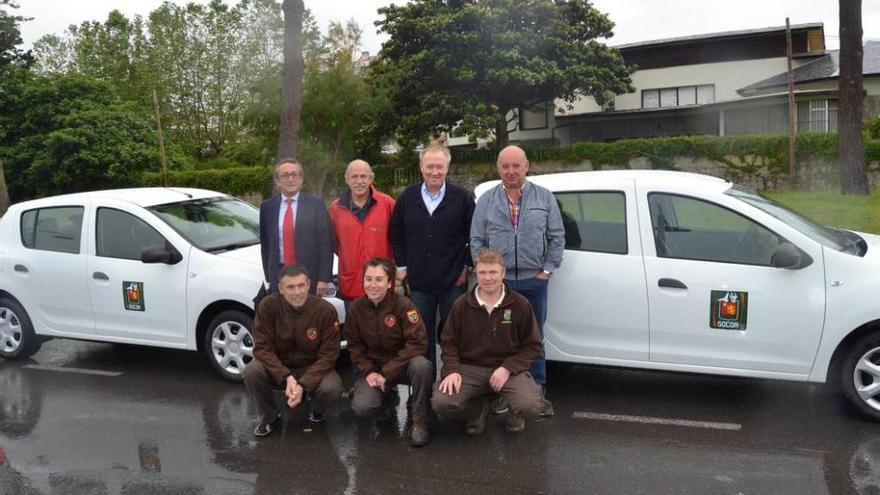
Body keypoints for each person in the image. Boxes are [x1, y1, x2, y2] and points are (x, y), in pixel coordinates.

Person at [470, 145, 565, 418]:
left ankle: (537, 391)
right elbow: (476, 240)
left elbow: (557, 237)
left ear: (527, 166)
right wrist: (488, 274)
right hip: (500, 285)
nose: (510, 171)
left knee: (534, 338)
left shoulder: (544, 197)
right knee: (500, 339)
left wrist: (546, 270)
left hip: (534, 280)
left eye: (516, 165)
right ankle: (504, 394)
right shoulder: (486, 201)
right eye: (505, 166)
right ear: (498, 168)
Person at [431, 248, 543, 436]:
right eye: (482, 272)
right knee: (442, 402)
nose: (488, 278)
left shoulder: (520, 304)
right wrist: (451, 370)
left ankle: (516, 413)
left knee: (530, 404)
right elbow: (448, 342)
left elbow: (533, 346)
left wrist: (508, 367)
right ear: (476, 272)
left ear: (503, 273)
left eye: (493, 272)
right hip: (470, 367)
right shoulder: (462, 304)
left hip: (507, 370)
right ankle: (477, 411)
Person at [389, 144, 474, 367]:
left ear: (447, 168)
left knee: (452, 334)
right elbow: (395, 232)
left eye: (439, 166)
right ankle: (425, 388)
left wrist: (467, 266)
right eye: (430, 166)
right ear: (421, 167)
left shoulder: (462, 198)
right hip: (419, 282)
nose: (434, 172)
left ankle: (451, 382)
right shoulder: (408, 197)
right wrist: (402, 266)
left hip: (453, 280)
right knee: (421, 335)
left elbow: (475, 235)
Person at [243, 263, 342, 437]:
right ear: (281, 288)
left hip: (310, 367)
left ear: (309, 284)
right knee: (252, 372)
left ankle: (316, 408)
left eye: (301, 285)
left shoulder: (325, 311)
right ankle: (270, 416)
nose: (297, 292)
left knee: (332, 387)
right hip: (278, 366)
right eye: (290, 287)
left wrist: (304, 384)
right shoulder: (267, 306)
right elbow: (261, 347)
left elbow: (329, 354)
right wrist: (285, 376)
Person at [345, 258, 433, 447]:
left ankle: (419, 421)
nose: (373, 285)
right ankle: (387, 397)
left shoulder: (404, 306)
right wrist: (369, 371)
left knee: (422, 365)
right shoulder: (356, 308)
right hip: (375, 369)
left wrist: (387, 372)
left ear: (389, 282)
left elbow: (418, 343)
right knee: (363, 407)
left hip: (401, 366)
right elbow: (354, 347)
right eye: (368, 279)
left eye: (379, 279)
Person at [259, 159, 333, 295]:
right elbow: (266, 245)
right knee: (283, 315)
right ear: (277, 181)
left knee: (309, 315)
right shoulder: (267, 207)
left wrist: (324, 279)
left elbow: (325, 244)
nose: (290, 179)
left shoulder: (315, 205)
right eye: (285, 175)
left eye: (294, 174)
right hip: (280, 275)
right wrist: (270, 277)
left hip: (308, 276)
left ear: (301, 179)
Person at [328, 160, 395, 303]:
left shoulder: (387, 204)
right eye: (354, 176)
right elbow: (333, 243)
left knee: (385, 324)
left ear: (371, 178)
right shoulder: (335, 209)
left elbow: (397, 239)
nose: (359, 181)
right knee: (354, 324)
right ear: (347, 179)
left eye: (364, 176)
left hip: (382, 283)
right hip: (351, 283)